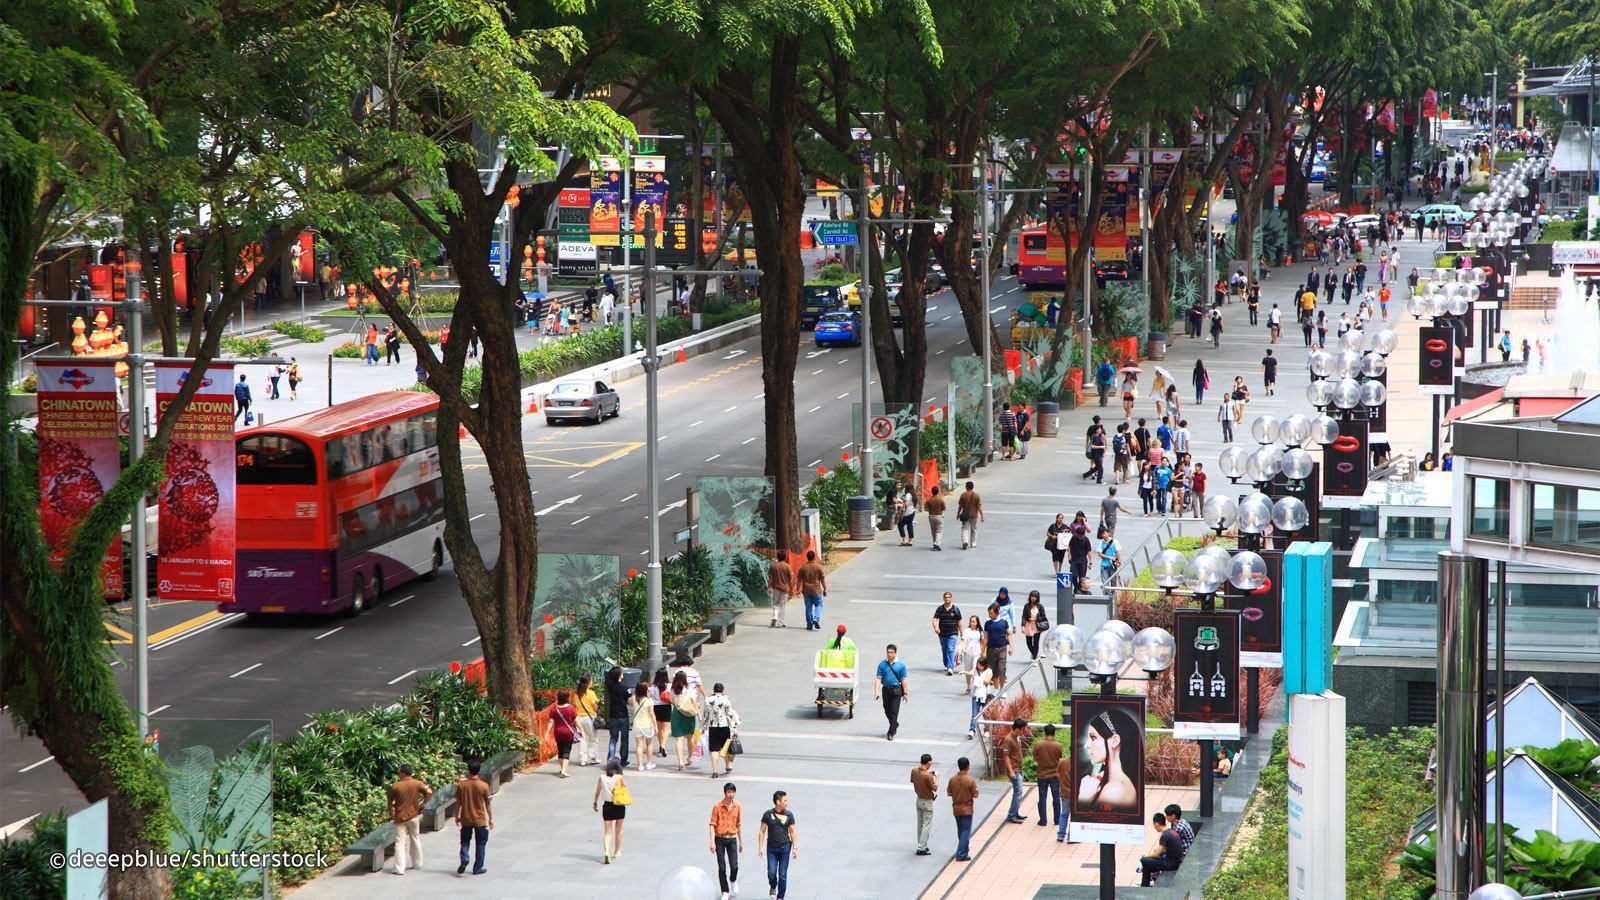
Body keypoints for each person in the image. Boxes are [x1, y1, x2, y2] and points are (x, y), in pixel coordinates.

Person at [1077, 710, 1137, 810]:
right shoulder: (1115, 782)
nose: (1086, 745)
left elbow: (1097, 824)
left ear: (1115, 741)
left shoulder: (1114, 790)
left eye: (1093, 737)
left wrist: (1083, 798)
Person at [388, 764, 432, 875]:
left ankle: (399, 868)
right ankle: (417, 863)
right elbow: (429, 792)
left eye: (399, 772)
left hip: (400, 818)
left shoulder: (396, 786)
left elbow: (389, 802)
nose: (398, 774)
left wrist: (391, 813)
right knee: (415, 838)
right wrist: (424, 804)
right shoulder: (417, 783)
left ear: (403, 773)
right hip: (414, 816)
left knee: (399, 842)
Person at [758, 791, 798, 900]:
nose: (787, 802)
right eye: (785, 800)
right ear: (778, 802)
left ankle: (780, 897)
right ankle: (773, 886)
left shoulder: (789, 815)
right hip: (771, 849)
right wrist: (760, 847)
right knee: (771, 872)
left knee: (783, 874)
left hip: (785, 847)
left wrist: (795, 847)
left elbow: (793, 831)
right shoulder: (768, 814)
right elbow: (762, 831)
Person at [456, 760, 493, 875]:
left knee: (465, 842)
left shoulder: (462, 785)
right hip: (480, 820)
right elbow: (487, 803)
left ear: (468, 770)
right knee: (480, 844)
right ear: (479, 770)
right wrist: (491, 818)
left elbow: (458, 802)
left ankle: (465, 858)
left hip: (465, 818)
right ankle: (477, 868)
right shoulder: (484, 786)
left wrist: (456, 816)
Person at [711, 783, 743, 899]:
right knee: (722, 866)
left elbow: (738, 824)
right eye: (729, 792)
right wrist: (712, 842)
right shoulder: (717, 806)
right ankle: (725, 891)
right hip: (719, 838)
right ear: (725, 793)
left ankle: (733, 880)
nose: (731, 794)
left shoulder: (737, 806)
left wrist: (741, 841)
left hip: (732, 838)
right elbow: (712, 824)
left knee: (734, 865)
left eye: (732, 792)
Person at [593, 758, 628, 864]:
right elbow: (624, 789)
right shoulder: (619, 777)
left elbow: (597, 792)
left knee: (607, 832)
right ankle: (617, 851)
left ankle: (607, 852)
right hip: (619, 805)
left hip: (607, 806)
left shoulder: (601, 777)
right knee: (619, 830)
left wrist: (595, 802)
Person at [1032, 724, 1065, 836]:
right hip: (1055, 775)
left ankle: (1043, 820)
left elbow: (1035, 757)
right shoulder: (1058, 746)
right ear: (1054, 733)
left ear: (1045, 733)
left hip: (1042, 775)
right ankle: (1056, 820)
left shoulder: (1039, 745)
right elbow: (1060, 759)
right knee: (1056, 797)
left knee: (1042, 797)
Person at [703, 683, 742, 778]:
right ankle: (728, 765)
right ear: (723, 690)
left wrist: (703, 727)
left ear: (714, 690)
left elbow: (706, 715)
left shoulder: (708, 700)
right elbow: (730, 714)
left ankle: (714, 771)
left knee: (714, 749)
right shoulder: (726, 700)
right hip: (725, 726)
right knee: (726, 747)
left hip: (713, 726)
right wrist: (735, 727)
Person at [1139, 812, 1186, 886]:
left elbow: (1156, 854)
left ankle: (1145, 885)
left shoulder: (1165, 836)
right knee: (1147, 866)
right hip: (1176, 860)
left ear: (1156, 824)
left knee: (1144, 860)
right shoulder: (1172, 831)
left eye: (1154, 825)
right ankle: (1145, 884)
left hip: (1170, 864)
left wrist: (1145, 856)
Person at [873, 644, 910, 741]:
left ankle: (891, 731)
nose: (889, 654)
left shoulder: (901, 665)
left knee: (894, 711)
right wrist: (876, 692)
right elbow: (878, 679)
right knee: (887, 710)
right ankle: (895, 724)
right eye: (888, 652)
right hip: (886, 689)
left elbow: (904, 680)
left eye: (891, 652)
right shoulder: (882, 664)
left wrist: (905, 693)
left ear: (895, 653)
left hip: (896, 690)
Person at [949, 757, 979, 861]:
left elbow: (949, 793)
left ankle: (964, 849)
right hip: (967, 809)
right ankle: (961, 854)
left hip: (956, 808)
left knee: (960, 830)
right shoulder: (970, 780)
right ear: (968, 766)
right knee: (965, 831)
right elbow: (976, 795)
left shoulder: (952, 779)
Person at [669, 671, 701, 770]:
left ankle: (680, 761)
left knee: (679, 739)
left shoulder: (672, 690)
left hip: (677, 715)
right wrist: (699, 715)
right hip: (689, 715)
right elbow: (694, 703)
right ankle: (690, 757)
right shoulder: (689, 689)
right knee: (690, 737)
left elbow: (672, 703)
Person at [911, 754, 939, 855]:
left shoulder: (914, 771)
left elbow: (915, 779)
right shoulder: (927, 776)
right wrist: (937, 777)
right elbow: (935, 788)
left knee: (920, 824)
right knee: (926, 824)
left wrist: (928, 774)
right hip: (927, 802)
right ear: (929, 762)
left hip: (918, 800)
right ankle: (921, 847)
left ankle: (921, 844)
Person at [981, 602, 1013, 689]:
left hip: (1002, 648)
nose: (990, 615)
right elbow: (985, 638)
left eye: (991, 613)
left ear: (996, 612)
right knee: (993, 671)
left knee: (1001, 669)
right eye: (989, 613)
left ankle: (1002, 689)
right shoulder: (987, 624)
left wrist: (1011, 647)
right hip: (991, 649)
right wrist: (983, 651)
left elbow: (1009, 634)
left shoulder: (1003, 622)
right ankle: (996, 689)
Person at [1001, 718, 1028, 823]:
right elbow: (1006, 756)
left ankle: (1015, 813)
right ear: (1017, 729)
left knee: (1018, 792)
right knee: (1018, 791)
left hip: (1018, 768)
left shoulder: (1017, 737)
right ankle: (1011, 815)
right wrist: (1011, 771)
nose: (1023, 731)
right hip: (1014, 770)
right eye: (1022, 729)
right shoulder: (1008, 739)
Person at [605, 665, 632, 767]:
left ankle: (611, 758)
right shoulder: (625, 688)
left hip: (613, 715)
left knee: (613, 738)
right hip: (623, 716)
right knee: (624, 739)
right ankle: (623, 760)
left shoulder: (610, 687)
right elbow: (629, 701)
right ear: (620, 675)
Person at [550, 689, 579, 778]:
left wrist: (547, 732)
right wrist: (581, 729)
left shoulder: (554, 709)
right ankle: (563, 770)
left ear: (558, 697)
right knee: (566, 751)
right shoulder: (571, 708)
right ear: (567, 697)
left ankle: (563, 768)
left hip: (557, 733)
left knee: (560, 751)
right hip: (568, 733)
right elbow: (576, 720)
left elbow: (550, 722)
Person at [574, 675, 601, 766]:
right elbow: (595, 707)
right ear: (587, 683)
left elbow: (575, 705)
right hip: (589, 718)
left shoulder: (576, 694)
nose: (592, 683)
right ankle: (593, 758)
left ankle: (582, 759)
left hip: (579, 718)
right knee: (593, 738)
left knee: (582, 738)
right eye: (591, 681)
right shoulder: (591, 693)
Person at [932, 592, 963, 675]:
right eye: (945, 597)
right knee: (944, 649)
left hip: (953, 633)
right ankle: (946, 664)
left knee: (950, 649)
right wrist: (936, 628)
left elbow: (959, 622)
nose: (947, 599)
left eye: (949, 597)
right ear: (943, 598)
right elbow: (934, 619)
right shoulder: (940, 609)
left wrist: (962, 634)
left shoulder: (955, 609)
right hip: (942, 633)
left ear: (951, 598)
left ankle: (950, 667)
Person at [796, 549, 827, 630]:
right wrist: (825, 589)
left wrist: (797, 590)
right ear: (814, 557)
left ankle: (809, 625)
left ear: (807, 558)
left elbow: (799, 580)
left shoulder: (803, 568)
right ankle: (816, 618)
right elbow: (822, 579)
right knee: (819, 605)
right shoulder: (818, 567)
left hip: (806, 592)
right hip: (816, 591)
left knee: (808, 608)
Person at [629, 682, 657, 770]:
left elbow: (628, 701)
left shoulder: (633, 699)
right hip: (647, 725)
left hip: (637, 725)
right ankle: (649, 763)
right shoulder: (649, 701)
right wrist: (655, 726)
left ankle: (640, 765)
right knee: (649, 744)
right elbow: (652, 714)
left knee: (639, 745)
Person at [767, 550, 794, 628]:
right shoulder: (787, 566)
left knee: (775, 603)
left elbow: (770, 578)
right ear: (785, 557)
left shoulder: (773, 566)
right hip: (785, 588)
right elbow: (790, 579)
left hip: (775, 588)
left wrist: (769, 587)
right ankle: (780, 623)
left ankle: (774, 617)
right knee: (782, 605)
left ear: (777, 557)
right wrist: (791, 588)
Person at [960, 614, 984, 698]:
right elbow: (964, 641)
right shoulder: (966, 631)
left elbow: (982, 642)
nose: (972, 623)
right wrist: (963, 649)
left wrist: (982, 652)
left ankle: (976, 686)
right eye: (971, 621)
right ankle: (968, 685)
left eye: (974, 621)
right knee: (967, 669)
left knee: (975, 669)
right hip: (968, 652)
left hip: (976, 653)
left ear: (977, 623)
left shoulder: (980, 632)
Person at [651, 669, 673, 759]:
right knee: (666, 729)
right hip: (666, 707)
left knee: (659, 729)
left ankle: (660, 745)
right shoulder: (669, 685)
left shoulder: (653, 686)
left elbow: (651, 698)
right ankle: (663, 746)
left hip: (656, 707)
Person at [1020, 591, 1049, 658]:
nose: (1033, 598)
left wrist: (1035, 619)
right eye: (1032, 596)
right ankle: (1034, 654)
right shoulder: (1026, 606)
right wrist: (1023, 626)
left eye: (1035, 597)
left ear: (1037, 598)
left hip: (1037, 626)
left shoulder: (1040, 606)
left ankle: (1034, 658)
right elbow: (1024, 616)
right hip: (1028, 626)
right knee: (1028, 643)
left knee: (1036, 643)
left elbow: (1043, 616)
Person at [957, 481, 983, 550]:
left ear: (967, 487)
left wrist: (958, 513)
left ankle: (965, 542)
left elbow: (960, 506)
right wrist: (982, 516)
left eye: (965, 486)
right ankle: (973, 543)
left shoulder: (963, 495)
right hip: (974, 515)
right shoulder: (977, 495)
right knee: (974, 529)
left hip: (965, 515)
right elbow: (979, 507)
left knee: (965, 529)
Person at [1068, 525, 1092, 593]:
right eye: (1079, 535)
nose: (1080, 537)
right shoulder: (1074, 538)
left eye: (1081, 536)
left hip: (1083, 561)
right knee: (1073, 576)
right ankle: (1076, 587)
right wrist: (1069, 556)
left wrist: (1090, 562)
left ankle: (1080, 590)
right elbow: (1069, 546)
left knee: (1082, 578)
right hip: (1074, 560)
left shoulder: (1086, 540)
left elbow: (1089, 551)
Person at [1083, 415, 1107, 483]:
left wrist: (1087, 444)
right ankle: (1099, 479)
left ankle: (1088, 474)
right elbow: (1104, 438)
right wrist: (1104, 447)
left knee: (1094, 463)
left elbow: (1087, 436)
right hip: (1098, 452)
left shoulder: (1090, 428)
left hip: (1093, 450)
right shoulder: (1099, 431)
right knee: (1100, 467)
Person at [895, 481, 916, 546]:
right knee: (910, 526)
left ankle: (904, 540)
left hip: (907, 513)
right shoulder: (913, 494)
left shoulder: (908, 495)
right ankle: (910, 541)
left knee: (900, 525)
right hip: (912, 512)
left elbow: (906, 504)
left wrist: (902, 504)